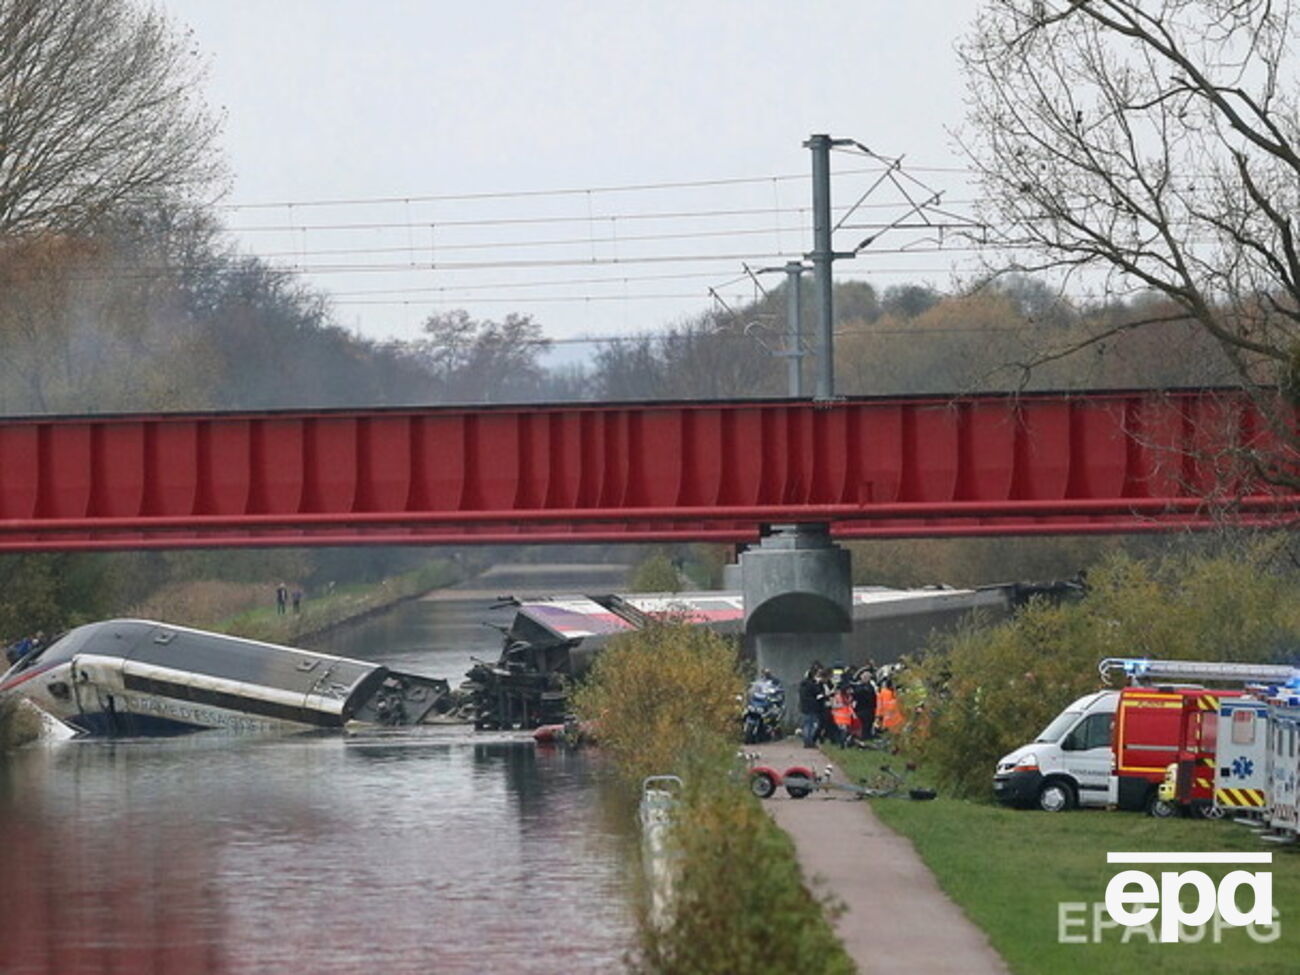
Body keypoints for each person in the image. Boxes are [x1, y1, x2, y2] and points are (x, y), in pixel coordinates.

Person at [798, 662, 823, 748]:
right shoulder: (812, 685)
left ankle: (806, 741)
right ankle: (810, 741)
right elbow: (819, 694)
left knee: (806, 724)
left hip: (804, 707)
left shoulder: (802, 684)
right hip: (812, 706)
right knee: (813, 724)